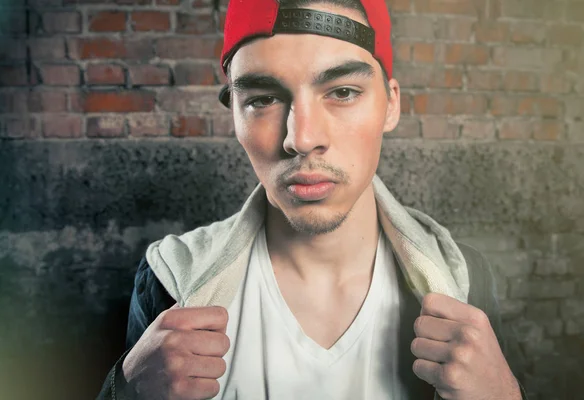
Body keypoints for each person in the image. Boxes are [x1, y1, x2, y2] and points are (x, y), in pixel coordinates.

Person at [98, 0, 528, 399]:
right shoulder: (168, 280)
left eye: (342, 92)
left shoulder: (464, 278)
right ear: (232, 114)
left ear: (391, 105)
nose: (301, 138)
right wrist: (125, 390)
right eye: (262, 99)